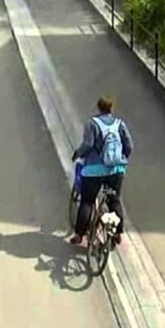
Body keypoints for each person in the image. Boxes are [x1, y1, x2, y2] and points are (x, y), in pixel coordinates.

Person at [70, 95, 133, 246]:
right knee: (114, 200)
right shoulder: (119, 124)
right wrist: (122, 160)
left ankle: (79, 235)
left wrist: (77, 154)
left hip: (94, 171)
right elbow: (129, 145)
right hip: (116, 170)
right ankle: (117, 233)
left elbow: (88, 145)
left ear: (98, 107)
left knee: (87, 201)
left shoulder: (92, 124)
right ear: (112, 108)